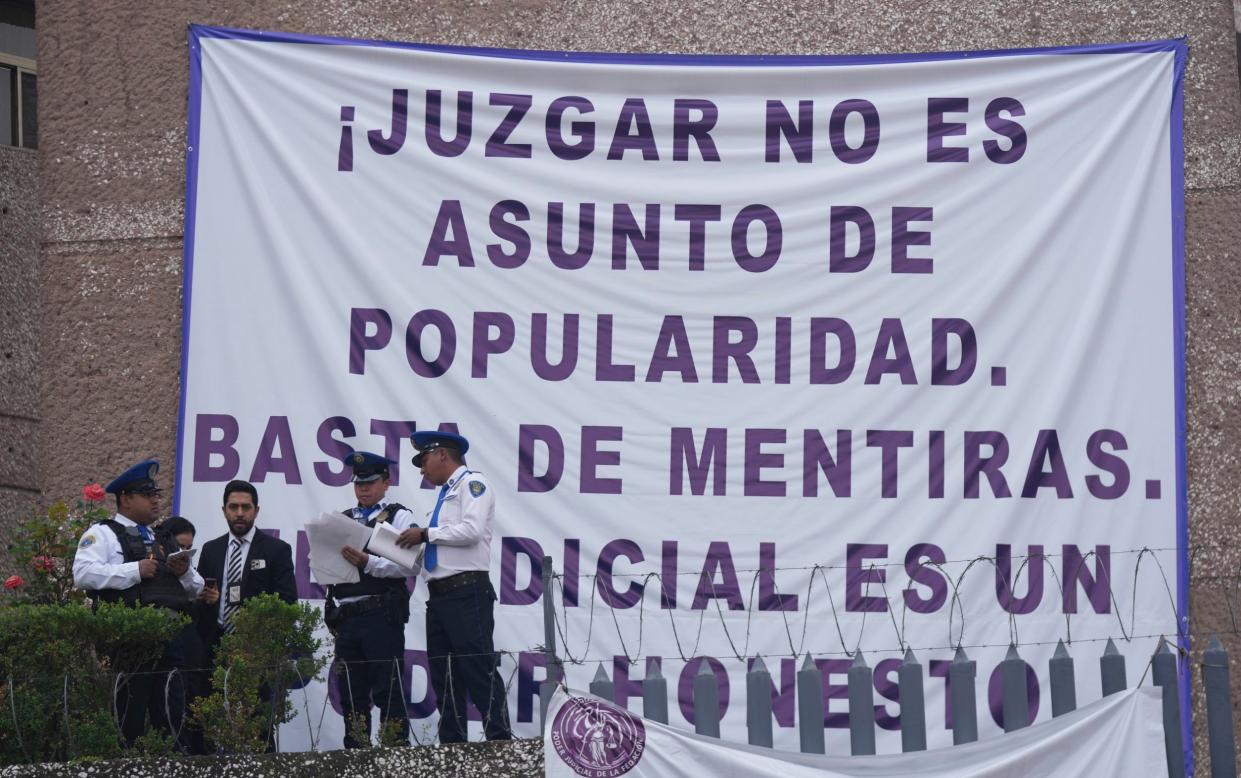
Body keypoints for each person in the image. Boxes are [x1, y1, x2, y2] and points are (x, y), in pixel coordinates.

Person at [72, 459, 204, 751]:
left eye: (157, 494)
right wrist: (134, 570)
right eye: (148, 495)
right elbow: (83, 574)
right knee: (128, 720)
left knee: (171, 715)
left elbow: (196, 589)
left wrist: (183, 572)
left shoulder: (163, 538)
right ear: (126, 499)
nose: (156, 501)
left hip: (170, 640)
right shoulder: (103, 534)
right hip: (131, 643)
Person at [396, 431, 512, 743]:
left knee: (478, 668)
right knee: (443, 676)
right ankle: (452, 743)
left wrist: (426, 535)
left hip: (466, 591)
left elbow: (471, 530)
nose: (422, 470)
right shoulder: (445, 494)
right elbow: (438, 548)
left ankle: (500, 741)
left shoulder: (473, 484)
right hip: (440, 595)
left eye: (424, 460)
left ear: (442, 455)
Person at [192, 479, 297, 752]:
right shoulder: (211, 549)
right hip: (215, 646)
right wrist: (207, 601)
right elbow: (201, 601)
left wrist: (257, 639)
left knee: (258, 726)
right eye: (233, 507)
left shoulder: (277, 550)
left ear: (256, 510)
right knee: (207, 723)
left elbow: (287, 603)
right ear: (223, 510)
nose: (239, 513)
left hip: (256, 650)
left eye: (245, 507)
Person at [326, 451, 419, 748]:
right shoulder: (341, 520)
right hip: (347, 617)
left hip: (382, 616)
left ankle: (395, 754)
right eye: (358, 483)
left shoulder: (399, 516)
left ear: (386, 482)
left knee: (388, 689)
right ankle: (356, 756)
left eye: (370, 482)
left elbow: (410, 565)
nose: (363, 488)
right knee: (351, 693)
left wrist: (369, 562)